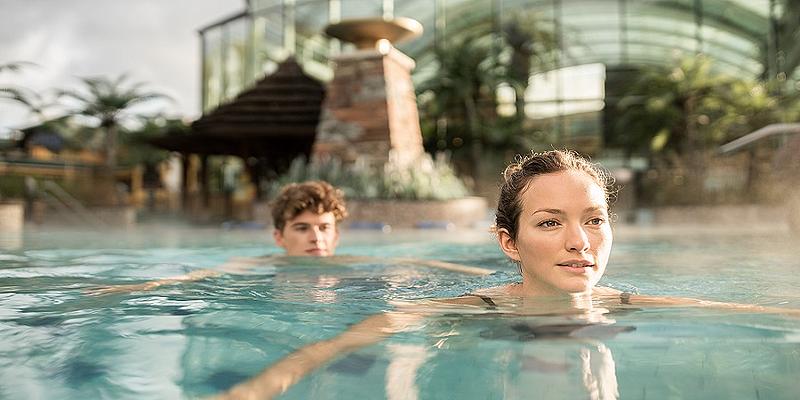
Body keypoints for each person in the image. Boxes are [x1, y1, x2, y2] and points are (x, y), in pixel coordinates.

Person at [214, 149, 800, 400]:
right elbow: (349, 340)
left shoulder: (624, 301)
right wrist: (255, 388)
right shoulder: (478, 309)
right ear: (508, 242)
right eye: (550, 223)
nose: (580, 241)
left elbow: (758, 316)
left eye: (594, 219)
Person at [88, 180, 491, 295]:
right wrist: (135, 287)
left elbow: (420, 265)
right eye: (302, 228)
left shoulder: (354, 265)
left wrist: (489, 278)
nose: (316, 237)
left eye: (324, 227)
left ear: (336, 235)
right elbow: (198, 278)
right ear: (279, 237)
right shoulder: (263, 265)